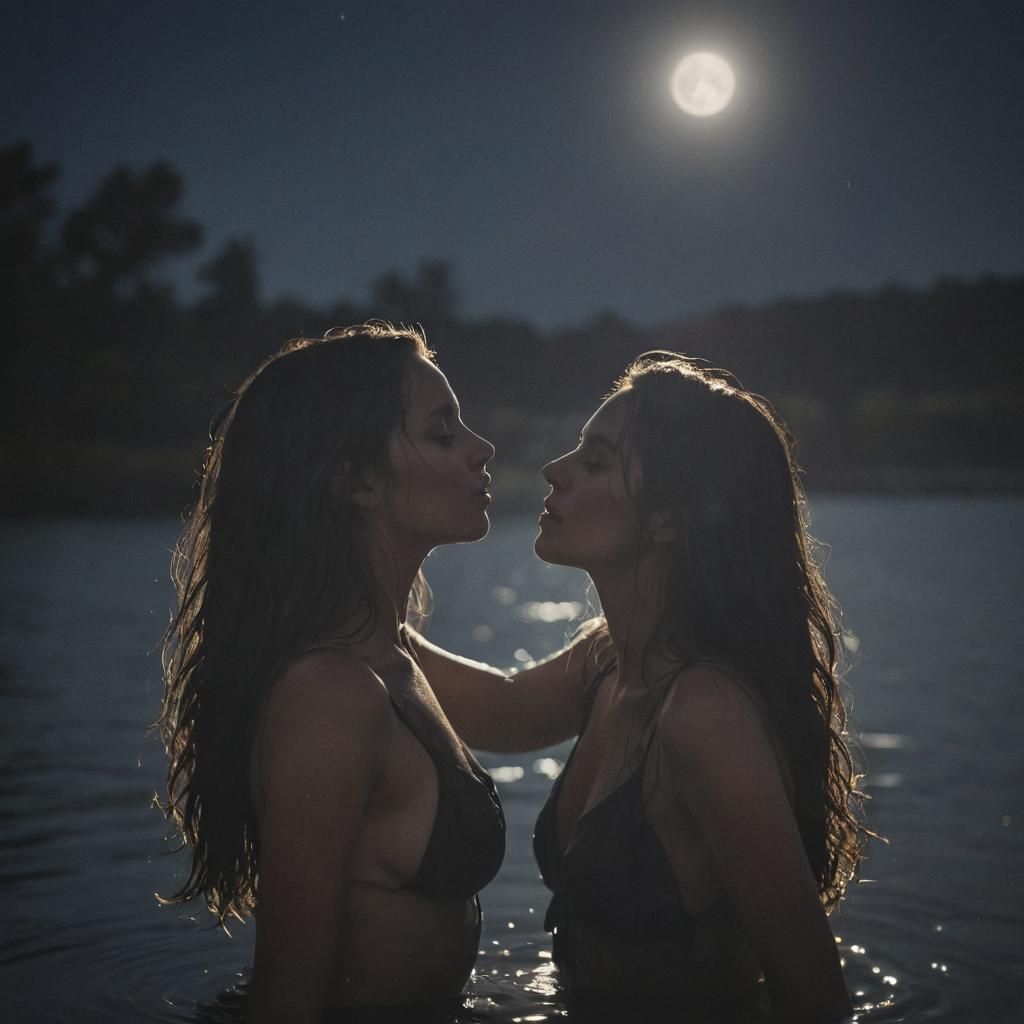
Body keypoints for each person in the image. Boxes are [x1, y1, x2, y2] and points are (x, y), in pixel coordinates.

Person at [408, 351, 868, 1022]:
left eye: (593, 463)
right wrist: (358, 605)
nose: (552, 471)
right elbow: (501, 708)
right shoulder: (608, 663)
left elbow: (816, 996)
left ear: (668, 519)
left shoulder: (706, 713)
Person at [157, 322, 504, 1023]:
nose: (483, 450)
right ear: (357, 483)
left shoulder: (390, 653)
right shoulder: (333, 694)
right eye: (442, 433)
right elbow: (288, 1000)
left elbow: (530, 706)